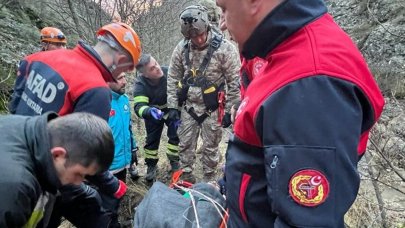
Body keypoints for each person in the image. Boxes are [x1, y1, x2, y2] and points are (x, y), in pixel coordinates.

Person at [215, 0, 385, 227]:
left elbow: (306, 221)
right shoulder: (282, 49)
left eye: (224, 8)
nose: (223, 23)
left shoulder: (309, 83)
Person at [8, 22, 142, 227]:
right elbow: (87, 150)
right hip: (48, 174)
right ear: (121, 60)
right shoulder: (95, 89)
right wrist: (113, 185)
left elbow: (15, 105)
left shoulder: (37, 59)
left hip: (14, 152)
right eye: (127, 70)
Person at [0, 112, 114, 228]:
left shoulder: (35, 133)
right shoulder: (15, 192)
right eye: (79, 174)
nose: (79, 182)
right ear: (58, 155)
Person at [167, 5, 240, 183]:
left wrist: (231, 110)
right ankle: (186, 179)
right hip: (189, 107)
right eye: (193, 37)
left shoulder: (225, 49)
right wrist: (172, 106)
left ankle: (209, 181)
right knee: (184, 146)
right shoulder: (182, 48)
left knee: (211, 149)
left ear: (207, 27)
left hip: (213, 109)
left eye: (200, 34)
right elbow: (172, 77)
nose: (198, 39)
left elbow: (235, 82)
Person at [133, 54, 180, 182]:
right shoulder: (140, 84)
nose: (157, 68)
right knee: (152, 140)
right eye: (152, 68)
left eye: (156, 64)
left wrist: (177, 108)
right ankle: (151, 165)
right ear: (145, 75)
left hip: (171, 110)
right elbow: (139, 107)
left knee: (176, 135)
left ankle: (174, 161)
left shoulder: (169, 73)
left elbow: (181, 91)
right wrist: (149, 111)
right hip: (153, 113)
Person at [105, 72, 138, 226]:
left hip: (123, 163)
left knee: (118, 198)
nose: (125, 82)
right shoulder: (101, 102)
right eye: (120, 78)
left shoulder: (124, 100)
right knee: (106, 203)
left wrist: (133, 149)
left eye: (125, 77)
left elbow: (129, 128)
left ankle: (118, 220)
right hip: (107, 167)